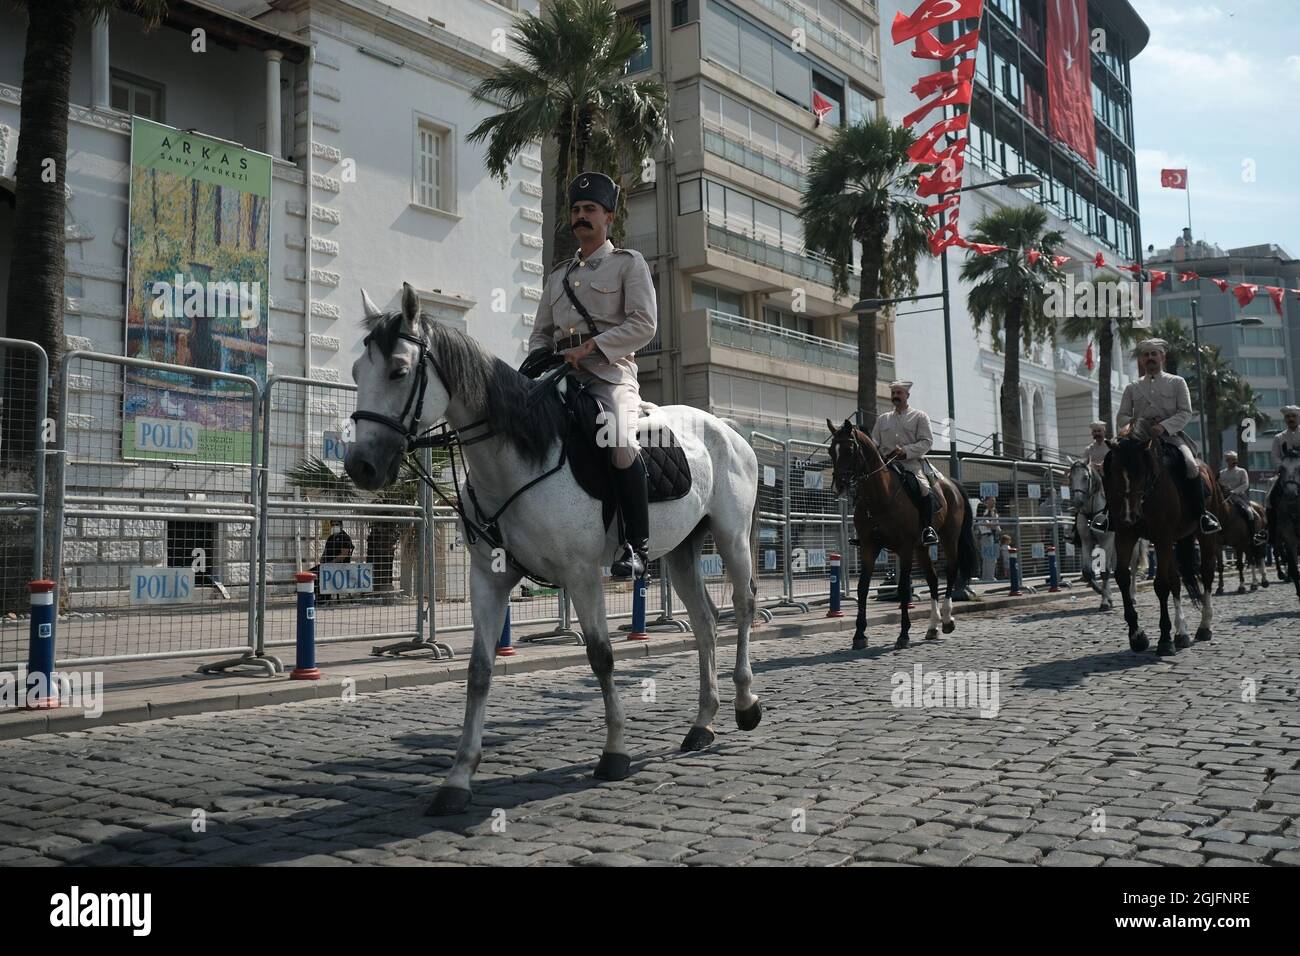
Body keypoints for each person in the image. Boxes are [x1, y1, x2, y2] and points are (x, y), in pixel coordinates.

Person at [522, 172, 658, 577]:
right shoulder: (558, 276)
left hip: (610, 375)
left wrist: (592, 347)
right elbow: (539, 334)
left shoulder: (627, 265)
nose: (582, 216)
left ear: (609, 218)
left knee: (617, 440)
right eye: (577, 210)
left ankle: (636, 547)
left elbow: (645, 324)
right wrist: (536, 360)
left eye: (590, 210)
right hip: (560, 377)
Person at [1113, 337, 1220, 534]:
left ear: (1162, 357)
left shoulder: (1177, 382)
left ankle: (1202, 515)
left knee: (1191, 466)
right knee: (1111, 462)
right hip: (1139, 439)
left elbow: (1185, 412)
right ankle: (1108, 514)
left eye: (1154, 354)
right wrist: (1133, 426)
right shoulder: (1132, 387)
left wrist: (1163, 427)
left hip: (1171, 437)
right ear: (1141, 360)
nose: (1150, 358)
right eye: (1146, 355)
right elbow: (1123, 415)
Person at [871, 380, 938, 546]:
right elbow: (874, 443)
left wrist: (906, 451)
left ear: (907, 395)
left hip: (911, 464)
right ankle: (870, 529)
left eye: (899, 393)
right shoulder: (882, 419)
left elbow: (927, 442)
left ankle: (927, 529)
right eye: (893, 393)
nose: (895, 396)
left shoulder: (920, 416)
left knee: (924, 489)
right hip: (886, 465)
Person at [1265, 404, 1300, 553]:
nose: (1290, 419)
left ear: (1298, 418)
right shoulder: (1279, 437)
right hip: (1286, 473)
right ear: (1285, 419)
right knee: (1269, 498)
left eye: (1293, 416)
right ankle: (1271, 534)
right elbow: (1274, 456)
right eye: (1288, 417)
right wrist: (1282, 467)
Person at [1218, 450, 1259, 541]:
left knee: (1249, 513)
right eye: (1228, 459)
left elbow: (1245, 484)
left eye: (1232, 459)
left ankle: (1253, 536)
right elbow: (1219, 484)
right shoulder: (1222, 473)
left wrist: (1235, 491)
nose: (1230, 461)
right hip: (1225, 497)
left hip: (1239, 496)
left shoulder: (1241, 471)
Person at [311, 523, 354, 602]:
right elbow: (325, 551)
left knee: (320, 573)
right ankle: (316, 596)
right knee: (310, 574)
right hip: (326, 566)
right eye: (332, 524)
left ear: (341, 526)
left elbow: (344, 555)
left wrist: (331, 562)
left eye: (336, 524)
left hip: (339, 567)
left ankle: (324, 597)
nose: (334, 526)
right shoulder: (331, 538)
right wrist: (322, 559)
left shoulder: (345, 538)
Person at [976, 496, 1001, 583]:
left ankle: (988, 577)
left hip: (993, 536)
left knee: (992, 558)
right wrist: (993, 525)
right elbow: (988, 525)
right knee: (988, 558)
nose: (994, 502)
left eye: (994, 501)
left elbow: (997, 526)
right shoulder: (984, 511)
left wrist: (993, 524)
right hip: (987, 535)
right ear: (986, 502)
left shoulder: (994, 512)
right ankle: (988, 577)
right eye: (992, 501)